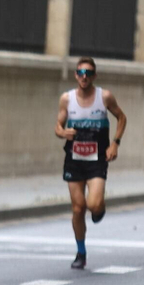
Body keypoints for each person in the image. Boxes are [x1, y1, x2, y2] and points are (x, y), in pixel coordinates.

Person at [54, 57, 127, 270]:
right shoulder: (67, 99)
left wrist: (115, 144)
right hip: (74, 160)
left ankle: (99, 209)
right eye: (80, 73)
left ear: (94, 76)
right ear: (76, 75)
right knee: (78, 208)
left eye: (88, 73)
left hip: (97, 160)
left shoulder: (104, 97)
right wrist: (62, 132)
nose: (84, 77)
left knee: (93, 205)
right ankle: (81, 252)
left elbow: (122, 118)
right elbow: (58, 126)